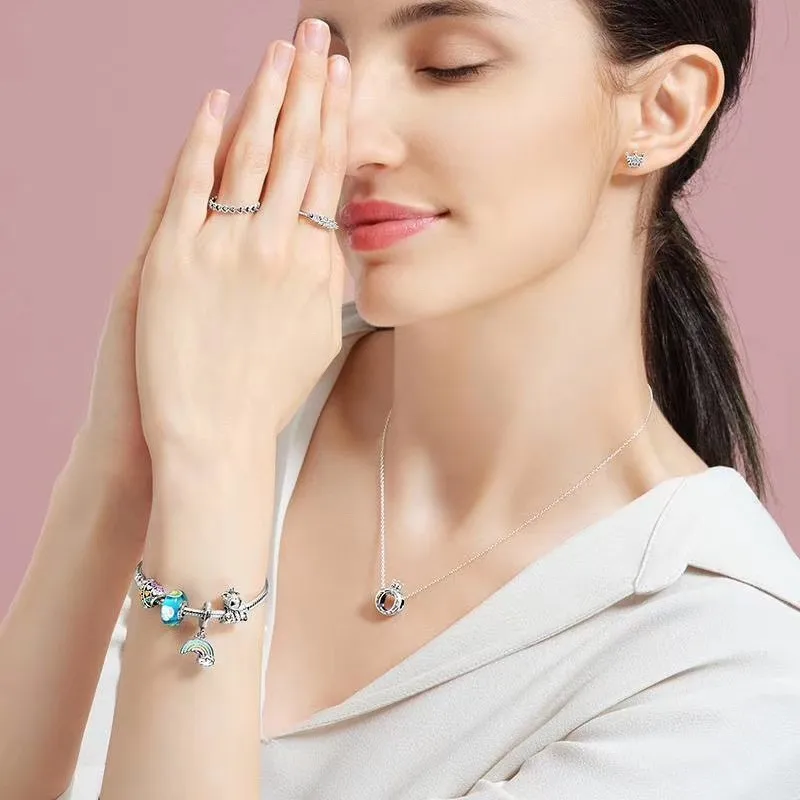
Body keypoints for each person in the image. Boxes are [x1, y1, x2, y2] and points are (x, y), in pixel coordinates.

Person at [1, 1, 799, 798]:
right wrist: (118, 471)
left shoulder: (724, 667)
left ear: (664, 108)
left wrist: (213, 472)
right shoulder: (230, 392)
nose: (351, 138)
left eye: (450, 65)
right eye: (333, 63)